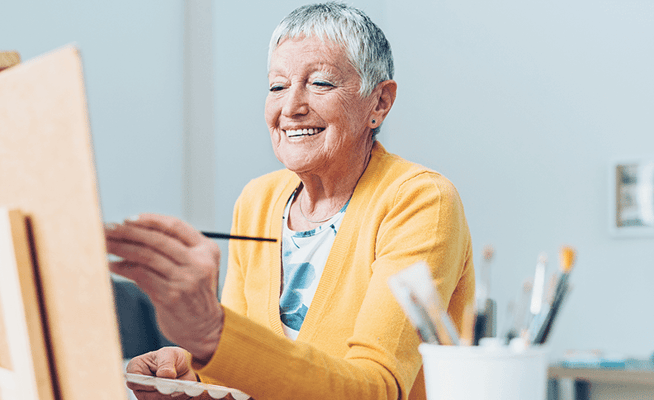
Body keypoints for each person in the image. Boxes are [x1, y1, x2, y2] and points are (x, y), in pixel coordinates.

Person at [105, 2, 474, 399]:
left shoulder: (419, 201)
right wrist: (193, 378)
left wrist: (213, 335)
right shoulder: (258, 201)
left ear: (379, 103)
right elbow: (248, 372)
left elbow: (377, 389)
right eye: (277, 86)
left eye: (321, 84)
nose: (291, 108)